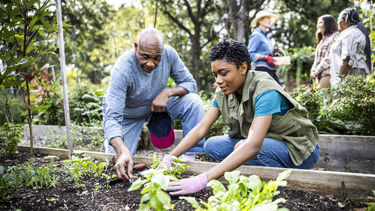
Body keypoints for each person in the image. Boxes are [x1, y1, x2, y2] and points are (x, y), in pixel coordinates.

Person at [163, 40, 320, 195]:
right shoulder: (223, 92)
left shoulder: (265, 90)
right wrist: (170, 158)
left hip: (298, 150)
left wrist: (202, 179)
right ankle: (255, 169)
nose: (218, 80)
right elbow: (200, 129)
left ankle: (280, 183)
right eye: (215, 74)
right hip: (264, 142)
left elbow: (253, 146)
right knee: (212, 145)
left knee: (247, 148)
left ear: (243, 68)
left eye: (224, 73)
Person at [102, 28, 205, 180]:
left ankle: (189, 159)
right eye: (145, 57)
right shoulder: (123, 68)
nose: (151, 63)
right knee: (114, 165)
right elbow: (112, 117)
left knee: (193, 102)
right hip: (128, 115)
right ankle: (111, 147)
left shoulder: (169, 54)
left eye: (157, 58)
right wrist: (121, 150)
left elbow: (190, 83)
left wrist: (167, 92)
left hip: (157, 107)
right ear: (136, 47)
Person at [330, 7, 372, 86]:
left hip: (351, 73)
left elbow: (347, 58)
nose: (337, 21)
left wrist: (339, 80)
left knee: (349, 97)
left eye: (338, 18)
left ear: (344, 20)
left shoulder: (350, 34)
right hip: (350, 72)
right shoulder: (349, 32)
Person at [247, 10, 281, 85]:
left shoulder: (266, 37)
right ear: (260, 21)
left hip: (270, 70)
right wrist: (265, 58)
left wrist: (274, 54)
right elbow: (249, 54)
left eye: (270, 18)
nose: (269, 20)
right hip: (262, 69)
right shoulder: (256, 35)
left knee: (279, 90)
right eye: (267, 18)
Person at [310, 15, 339, 88]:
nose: (318, 25)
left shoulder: (335, 37)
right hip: (319, 75)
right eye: (318, 23)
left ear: (328, 24)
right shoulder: (322, 40)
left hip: (328, 74)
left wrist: (317, 71)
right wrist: (313, 71)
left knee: (322, 97)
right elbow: (317, 59)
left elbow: (329, 58)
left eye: (320, 23)